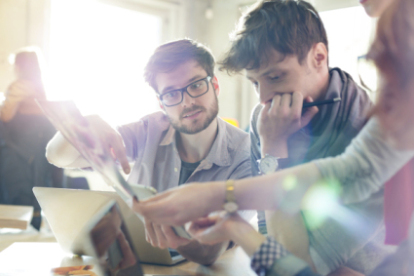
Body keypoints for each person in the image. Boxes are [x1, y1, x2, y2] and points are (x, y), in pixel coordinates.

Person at [134, 0, 414, 275]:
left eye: (276, 77)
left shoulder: (369, 129)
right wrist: (236, 225)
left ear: (319, 58)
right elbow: (272, 243)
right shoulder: (266, 120)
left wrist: (272, 153)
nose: (264, 97)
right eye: (255, 83)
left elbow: (294, 266)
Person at [46, 39, 252, 265]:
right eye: (172, 94)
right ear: (161, 103)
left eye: (195, 85)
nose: (187, 102)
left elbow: (211, 251)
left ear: (215, 85)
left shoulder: (246, 154)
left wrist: (173, 238)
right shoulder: (149, 130)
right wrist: (79, 125)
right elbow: (58, 157)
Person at [0, 47, 64, 230]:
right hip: (34, 167)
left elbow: (5, 118)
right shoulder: (42, 93)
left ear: (19, 67)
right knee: (29, 217)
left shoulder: (20, 89)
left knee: (18, 219)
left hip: (19, 165)